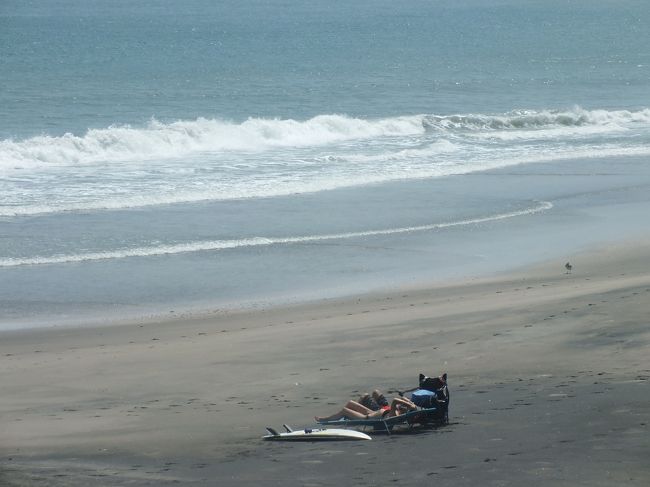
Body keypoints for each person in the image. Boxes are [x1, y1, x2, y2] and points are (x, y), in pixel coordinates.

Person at [315, 395, 417, 422]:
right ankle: (344, 417)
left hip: (366, 417)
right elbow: (401, 399)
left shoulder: (395, 415)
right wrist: (410, 403)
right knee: (351, 403)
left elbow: (395, 400)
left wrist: (409, 405)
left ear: (405, 410)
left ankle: (325, 419)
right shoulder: (398, 411)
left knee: (344, 410)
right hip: (372, 412)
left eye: (402, 406)